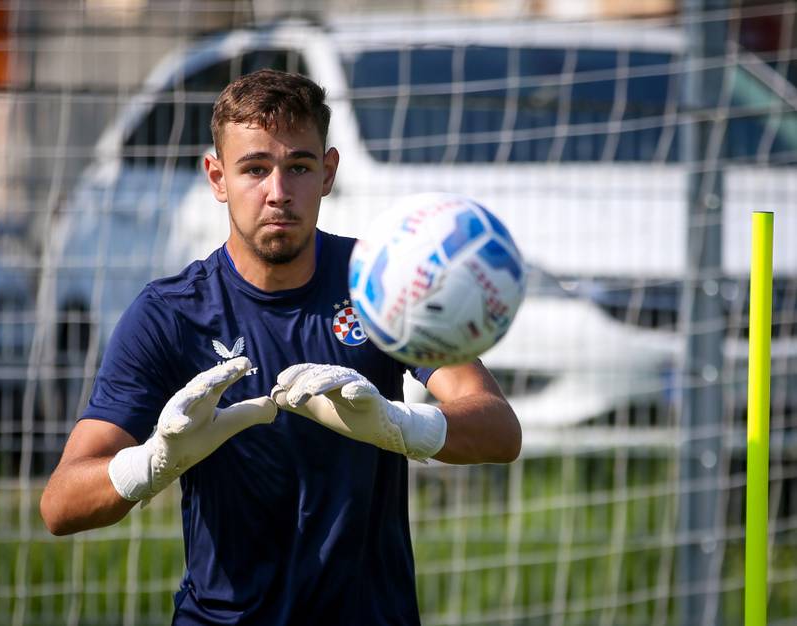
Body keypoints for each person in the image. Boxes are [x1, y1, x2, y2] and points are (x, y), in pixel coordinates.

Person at [40, 68, 522, 625]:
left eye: (298, 166)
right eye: (254, 169)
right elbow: (60, 504)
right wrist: (155, 461)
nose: (278, 192)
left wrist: (397, 424)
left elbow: (498, 429)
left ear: (329, 171)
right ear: (216, 177)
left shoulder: (383, 283)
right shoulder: (169, 314)